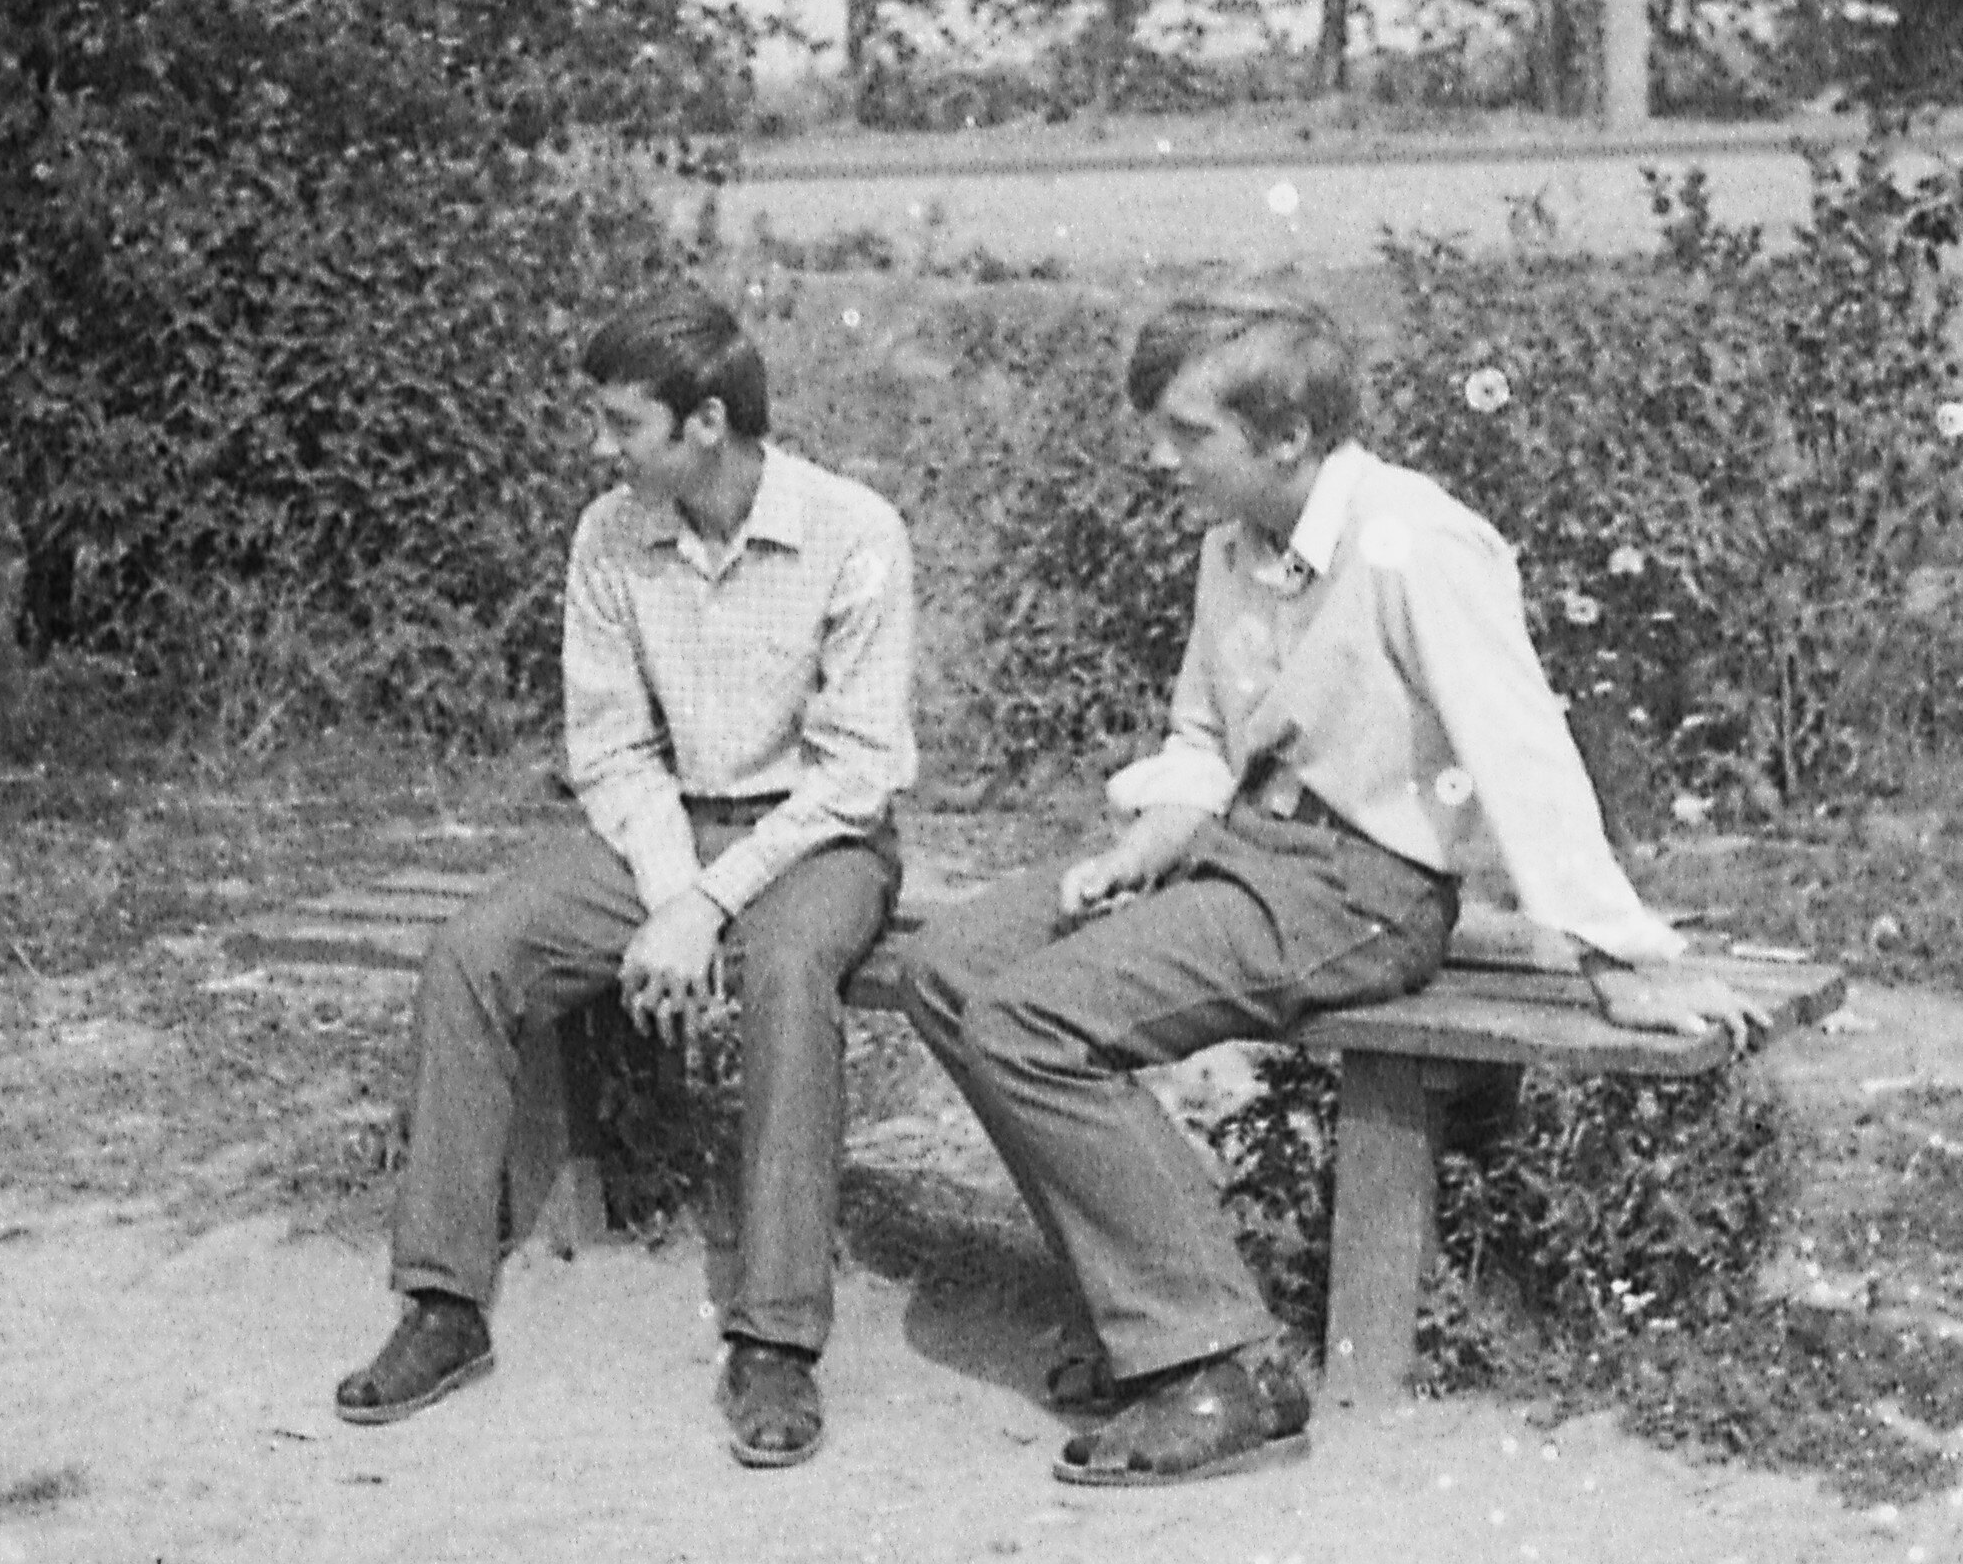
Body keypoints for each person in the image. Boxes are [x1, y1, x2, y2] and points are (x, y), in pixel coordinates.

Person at [897, 293, 1755, 1489]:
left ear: (1290, 435)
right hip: (1243, 850)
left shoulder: (1416, 542)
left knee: (1030, 1022)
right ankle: (1137, 1307)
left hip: (1364, 888)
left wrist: (1617, 955)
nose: (1158, 457)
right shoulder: (1232, 541)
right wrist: (1153, 836)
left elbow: (1519, 749)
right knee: (948, 967)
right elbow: (1205, 736)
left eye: (1188, 432)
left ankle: (1218, 1361)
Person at [333, 291, 915, 1468]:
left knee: (788, 971)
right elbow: (607, 748)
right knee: (474, 953)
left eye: (622, 423)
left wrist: (705, 902)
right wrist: (671, 886)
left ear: (707, 422)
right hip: (662, 830)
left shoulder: (854, 530)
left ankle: (775, 1339)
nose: (600, 447)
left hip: (818, 837)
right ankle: (443, 1299)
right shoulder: (609, 532)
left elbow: (856, 774)